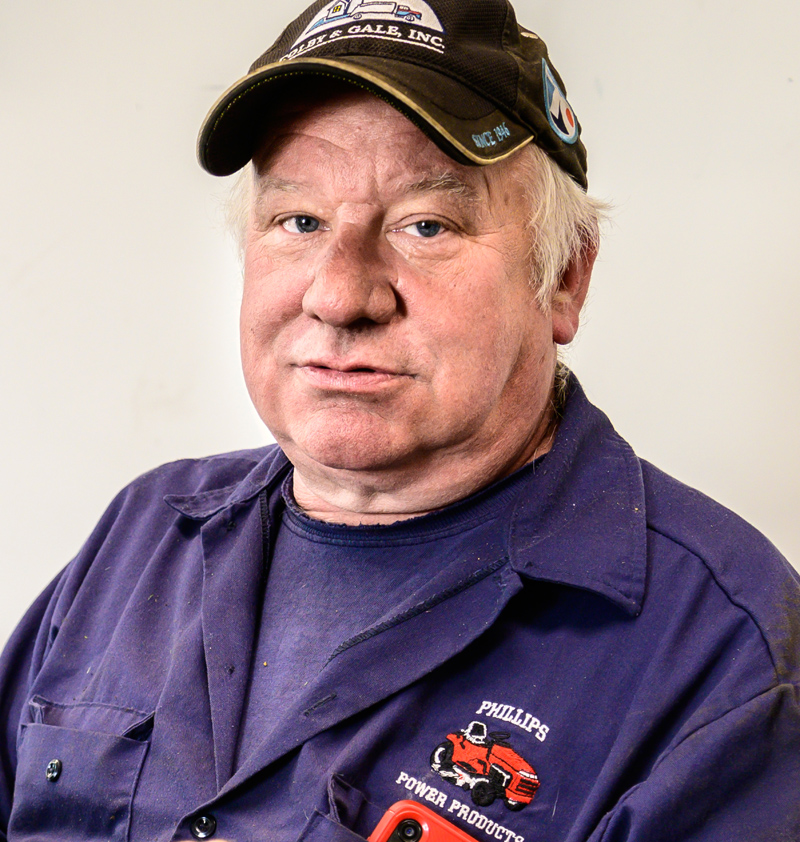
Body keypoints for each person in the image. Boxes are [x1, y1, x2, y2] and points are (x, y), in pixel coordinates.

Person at [1, 0, 798, 840]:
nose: (341, 295)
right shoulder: (144, 538)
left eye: (427, 225)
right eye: (298, 221)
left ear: (563, 277)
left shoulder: (721, 660)